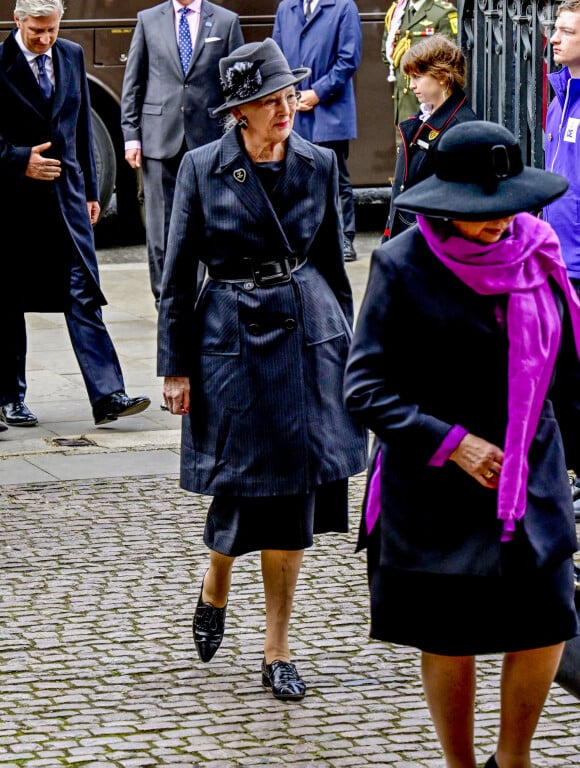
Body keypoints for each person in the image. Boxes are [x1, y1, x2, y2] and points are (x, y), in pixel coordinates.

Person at [344, 121, 579, 768]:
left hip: (531, 472)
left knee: (548, 617)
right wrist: (455, 445)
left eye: (509, 206)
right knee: (451, 634)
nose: (500, 222)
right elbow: (364, 389)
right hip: (436, 486)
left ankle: (514, 758)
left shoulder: (540, 252)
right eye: (484, 212)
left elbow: (568, 374)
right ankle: (459, 764)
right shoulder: (401, 265)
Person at [157, 38, 368, 701]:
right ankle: (215, 578)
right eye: (271, 103)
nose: (287, 110)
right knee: (239, 488)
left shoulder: (317, 164)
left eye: (287, 97)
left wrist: (350, 353)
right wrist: (176, 365)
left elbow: (336, 267)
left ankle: (278, 649)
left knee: (294, 505)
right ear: (240, 112)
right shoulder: (202, 166)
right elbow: (176, 271)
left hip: (307, 339)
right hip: (230, 339)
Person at [0, 0, 150, 429]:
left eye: (51, 30)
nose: (45, 39)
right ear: (17, 21)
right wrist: (18, 160)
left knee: (84, 291)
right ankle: (10, 398)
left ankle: (108, 396)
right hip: (13, 204)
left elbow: (81, 123)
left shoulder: (70, 54)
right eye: (35, 32)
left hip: (66, 200)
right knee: (8, 300)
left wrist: (89, 190)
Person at [120, 0, 244, 307]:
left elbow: (238, 86)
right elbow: (134, 82)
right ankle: (165, 299)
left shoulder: (227, 22)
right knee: (161, 225)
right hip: (159, 139)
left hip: (209, 140)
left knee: (207, 222)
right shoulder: (148, 20)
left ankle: (199, 296)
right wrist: (131, 136)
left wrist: (239, 137)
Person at [272, 0, 361, 261]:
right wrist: (289, 94)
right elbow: (276, 57)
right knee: (292, 175)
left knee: (335, 178)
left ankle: (344, 238)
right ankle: (298, 237)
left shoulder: (344, 7)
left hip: (329, 109)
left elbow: (348, 59)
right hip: (292, 109)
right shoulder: (286, 7)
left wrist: (318, 92)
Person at [383, 33, 476, 241]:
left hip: (429, 241)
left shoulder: (461, 129)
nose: (411, 85)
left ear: (442, 75)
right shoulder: (423, 117)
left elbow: (455, 203)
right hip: (406, 235)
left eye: (417, 77)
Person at [543, 0, 580, 295]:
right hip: (557, 260)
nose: (554, 39)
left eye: (567, 32)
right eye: (556, 30)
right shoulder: (559, 99)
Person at [382, 0, 457, 137]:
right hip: (404, 105)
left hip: (431, 107)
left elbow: (450, 62)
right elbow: (387, 55)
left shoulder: (442, 12)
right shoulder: (397, 12)